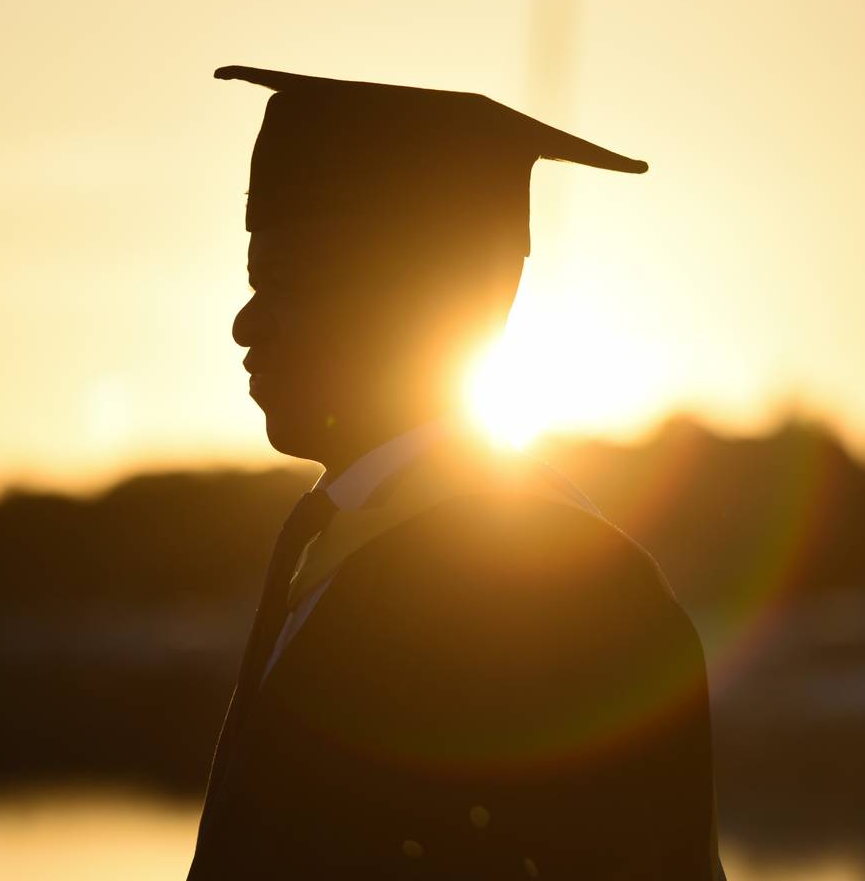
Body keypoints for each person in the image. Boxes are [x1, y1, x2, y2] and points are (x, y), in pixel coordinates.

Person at [188, 65, 724, 879]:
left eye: (284, 285)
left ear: (410, 307)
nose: (243, 323)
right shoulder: (329, 539)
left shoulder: (566, 595)